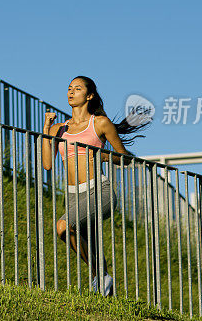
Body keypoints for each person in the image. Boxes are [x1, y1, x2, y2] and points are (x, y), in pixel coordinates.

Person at [41, 76, 149, 296]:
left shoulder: (99, 123)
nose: (71, 92)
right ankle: (104, 291)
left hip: (99, 190)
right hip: (72, 194)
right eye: (69, 88)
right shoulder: (58, 129)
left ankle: (99, 277)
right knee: (92, 248)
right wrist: (47, 127)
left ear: (89, 95)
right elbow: (47, 165)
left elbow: (125, 158)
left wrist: (102, 157)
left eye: (77, 89)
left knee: (63, 227)